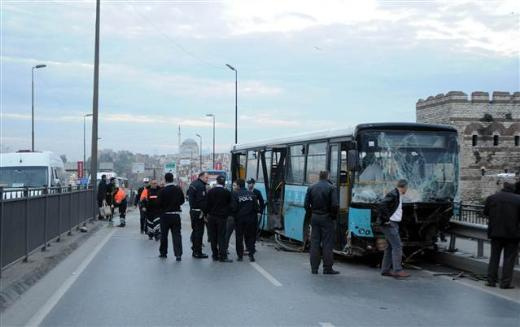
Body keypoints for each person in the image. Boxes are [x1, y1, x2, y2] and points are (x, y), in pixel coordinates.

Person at [483, 182, 520, 289]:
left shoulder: (492, 198)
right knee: (509, 259)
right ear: (513, 189)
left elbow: (485, 213)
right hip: (512, 235)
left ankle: (491, 281)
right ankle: (505, 283)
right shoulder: (518, 199)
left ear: (503, 188)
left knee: (494, 257)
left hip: (495, 233)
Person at [304, 171, 339, 275]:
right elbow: (335, 205)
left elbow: (306, 204)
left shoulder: (311, 187)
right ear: (328, 176)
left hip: (314, 217)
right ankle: (327, 268)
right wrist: (332, 216)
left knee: (314, 243)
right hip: (326, 218)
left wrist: (311, 214)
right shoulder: (331, 188)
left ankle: (314, 269)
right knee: (327, 244)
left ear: (319, 177)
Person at [377, 179, 410, 278]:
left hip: (393, 223)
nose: (407, 190)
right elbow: (382, 204)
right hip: (389, 224)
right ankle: (397, 270)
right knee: (397, 246)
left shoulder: (398, 195)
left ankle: (385, 270)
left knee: (390, 247)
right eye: (407, 188)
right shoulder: (394, 194)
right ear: (404, 187)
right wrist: (386, 219)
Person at [157, 173, 185, 261]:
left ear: (165, 179)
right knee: (177, 235)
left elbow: (158, 203)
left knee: (164, 235)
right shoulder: (178, 189)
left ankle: (163, 253)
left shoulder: (162, 190)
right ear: (173, 179)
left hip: (165, 216)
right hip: (176, 215)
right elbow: (182, 201)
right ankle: (178, 254)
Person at [206, 175, 233, 262]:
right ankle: (223, 256)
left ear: (217, 181)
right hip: (222, 218)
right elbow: (231, 205)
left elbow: (207, 204)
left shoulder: (210, 191)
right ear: (224, 182)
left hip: (211, 217)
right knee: (221, 236)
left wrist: (207, 214)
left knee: (213, 236)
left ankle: (214, 255)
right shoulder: (227, 192)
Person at [231, 179, 259, 262]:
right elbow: (256, 208)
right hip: (251, 220)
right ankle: (251, 254)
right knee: (250, 237)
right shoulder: (252, 194)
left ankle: (240, 256)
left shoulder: (235, 194)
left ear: (239, 186)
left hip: (240, 220)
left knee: (239, 237)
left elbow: (234, 208)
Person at [187, 172, 209, 259]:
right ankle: (197, 252)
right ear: (201, 177)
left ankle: (195, 249)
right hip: (198, 212)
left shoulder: (193, 184)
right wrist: (205, 213)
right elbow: (201, 201)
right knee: (199, 232)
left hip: (193, 211)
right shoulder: (200, 186)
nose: (207, 179)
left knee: (195, 231)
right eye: (206, 177)